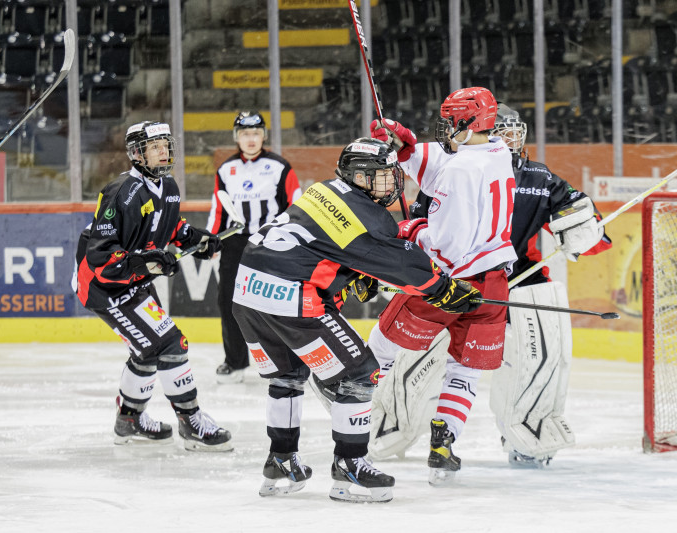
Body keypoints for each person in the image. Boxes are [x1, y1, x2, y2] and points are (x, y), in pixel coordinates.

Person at [231, 137, 483, 502]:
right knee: (359, 374)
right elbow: (399, 263)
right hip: (291, 299)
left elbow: (320, 247)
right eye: (381, 175)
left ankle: (281, 460)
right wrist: (442, 288)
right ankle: (350, 467)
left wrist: (351, 275)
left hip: (247, 291)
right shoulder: (366, 214)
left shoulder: (324, 191)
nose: (392, 181)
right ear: (359, 177)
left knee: (287, 376)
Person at [367, 103, 612, 469]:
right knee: (461, 368)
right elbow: (431, 187)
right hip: (494, 285)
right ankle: (408, 427)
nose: (509, 137)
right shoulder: (492, 160)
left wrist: (584, 228)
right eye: (503, 130)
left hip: (488, 283)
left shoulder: (528, 176)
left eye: (514, 130)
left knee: (531, 363)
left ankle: (525, 438)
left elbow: (589, 235)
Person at [368, 87, 518, 485]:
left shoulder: (460, 169)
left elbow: (448, 246)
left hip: (450, 283)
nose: (447, 129)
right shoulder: (499, 151)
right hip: (493, 284)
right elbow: (447, 165)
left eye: (452, 121)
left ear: (468, 123)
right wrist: (407, 148)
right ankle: (444, 440)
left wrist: (414, 231)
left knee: (383, 344)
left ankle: (352, 400)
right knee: (464, 369)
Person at [74, 120, 233, 452]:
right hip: (105, 285)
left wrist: (198, 238)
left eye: (166, 144)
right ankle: (190, 422)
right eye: (155, 146)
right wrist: (145, 262)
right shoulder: (121, 192)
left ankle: (128, 419)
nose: (164, 151)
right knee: (171, 345)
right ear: (137, 154)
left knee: (147, 350)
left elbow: (171, 226)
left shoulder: (169, 185)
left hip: (134, 281)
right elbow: (101, 256)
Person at [206, 111, 301, 384]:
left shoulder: (280, 166)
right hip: (235, 242)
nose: (251, 139)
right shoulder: (225, 169)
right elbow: (218, 209)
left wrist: (293, 239)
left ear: (264, 136)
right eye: (245, 134)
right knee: (229, 302)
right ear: (237, 137)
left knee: (275, 301)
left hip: (270, 241)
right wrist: (213, 239)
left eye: (256, 133)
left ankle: (282, 359)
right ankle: (235, 363)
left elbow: (295, 206)